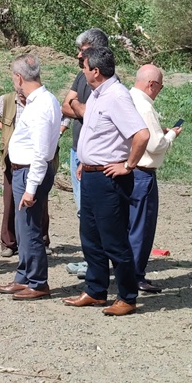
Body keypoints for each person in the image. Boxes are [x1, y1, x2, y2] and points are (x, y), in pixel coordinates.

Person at [63, 46, 149, 316]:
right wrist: (85, 162)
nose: (82, 71)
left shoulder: (117, 96)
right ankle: (95, 290)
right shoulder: (98, 95)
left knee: (114, 240)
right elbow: (95, 133)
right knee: (90, 237)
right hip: (90, 174)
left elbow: (142, 135)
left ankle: (127, 296)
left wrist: (128, 165)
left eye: (84, 67)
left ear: (96, 71)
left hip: (108, 178)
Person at [0, 55, 61, 301]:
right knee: (23, 229)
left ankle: (37, 281)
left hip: (30, 172)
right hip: (23, 171)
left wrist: (31, 188)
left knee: (30, 229)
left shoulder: (42, 105)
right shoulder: (39, 101)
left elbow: (41, 153)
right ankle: (23, 276)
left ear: (19, 77)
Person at [129, 65, 182, 294]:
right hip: (143, 172)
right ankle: (135, 275)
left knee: (127, 225)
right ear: (152, 84)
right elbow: (155, 145)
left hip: (126, 170)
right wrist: (171, 135)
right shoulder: (145, 106)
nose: (159, 90)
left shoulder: (127, 99)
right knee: (142, 227)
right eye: (160, 86)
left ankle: (125, 272)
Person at [61, 28, 109, 279]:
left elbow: (91, 114)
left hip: (95, 155)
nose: (79, 56)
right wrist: (80, 108)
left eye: (83, 51)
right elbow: (65, 106)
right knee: (82, 209)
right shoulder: (82, 76)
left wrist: (79, 108)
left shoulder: (107, 83)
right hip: (77, 151)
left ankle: (96, 263)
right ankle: (91, 259)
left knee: (93, 211)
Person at [0, 91, 61, 257]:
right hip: (13, 160)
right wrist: (5, 129)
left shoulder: (42, 103)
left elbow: (62, 119)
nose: (20, 92)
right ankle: (10, 243)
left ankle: (39, 244)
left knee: (38, 203)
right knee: (10, 202)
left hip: (35, 162)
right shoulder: (7, 101)